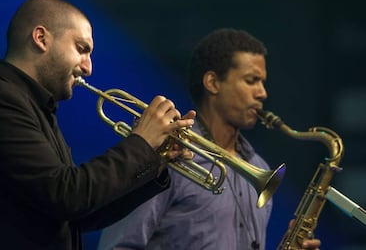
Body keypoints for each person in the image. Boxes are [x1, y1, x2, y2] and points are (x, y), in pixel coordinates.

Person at [0, 0, 196, 250]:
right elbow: (67, 196)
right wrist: (142, 143)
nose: (88, 67)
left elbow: (79, 215)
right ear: (41, 38)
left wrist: (156, 160)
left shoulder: (33, 105)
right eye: (81, 49)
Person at [97, 28, 321, 250]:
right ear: (213, 82)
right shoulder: (167, 154)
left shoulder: (260, 168)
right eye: (252, 80)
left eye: (262, 82)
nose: (262, 93)